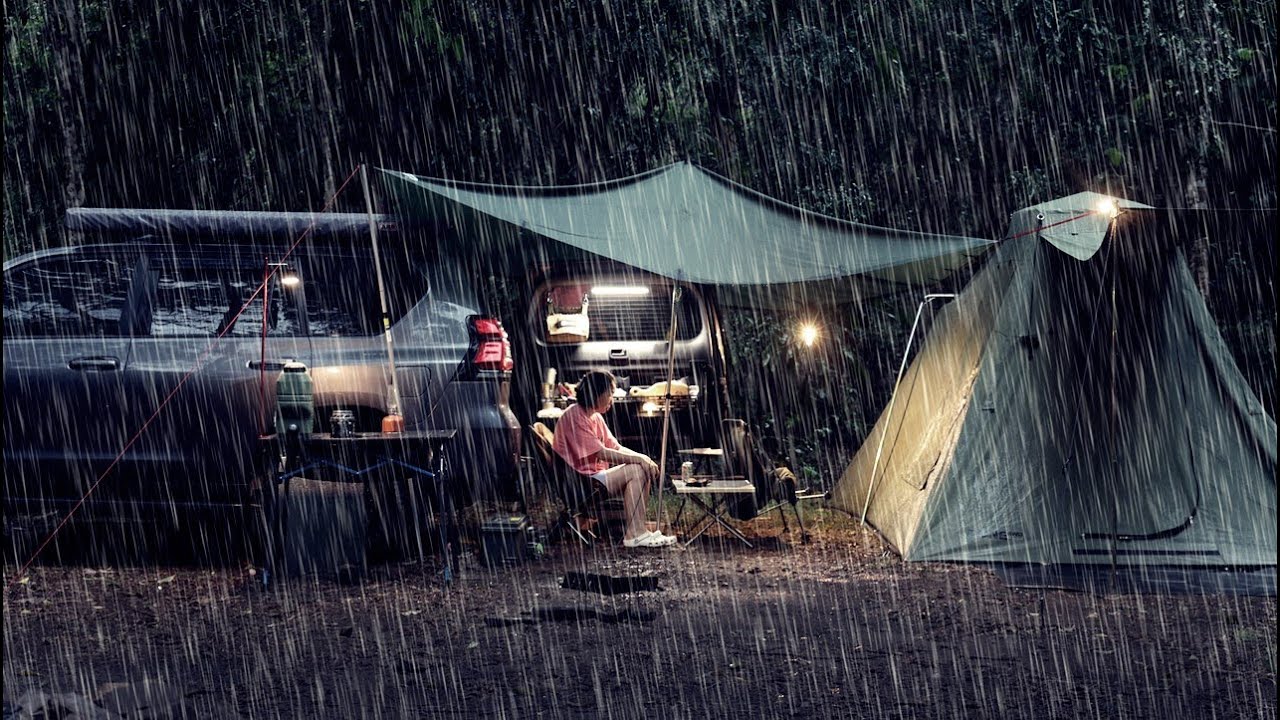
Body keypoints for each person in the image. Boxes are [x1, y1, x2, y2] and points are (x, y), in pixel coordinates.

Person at [553, 370, 675, 548]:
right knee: (637, 470)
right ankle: (635, 534)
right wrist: (640, 459)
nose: (612, 398)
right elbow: (602, 453)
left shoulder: (594, 416)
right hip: (579, 483)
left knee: (640, 467)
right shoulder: (574, 416)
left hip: (592, 477)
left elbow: (615, 447)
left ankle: (639, 530)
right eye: (610, 393)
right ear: (597, 393)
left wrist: (643, 458)